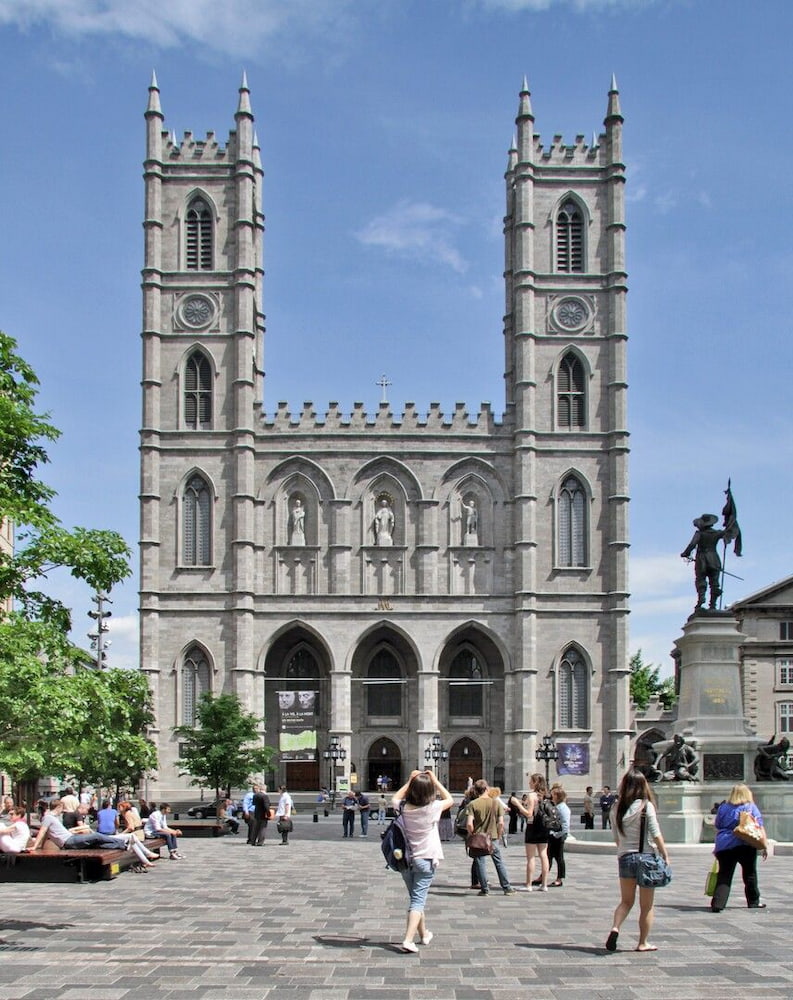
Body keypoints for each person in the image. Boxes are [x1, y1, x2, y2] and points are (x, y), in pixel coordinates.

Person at [605, 769, 670, 953]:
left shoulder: (616, 808)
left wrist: (624, 850)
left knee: (626, 901)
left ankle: (615, 927)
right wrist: (665, 854)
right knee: (647, 906)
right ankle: (643, 942)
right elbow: (655, 833)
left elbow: (616, 838)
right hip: (646, 859)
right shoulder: (645, 806)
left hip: (625, 858)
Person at [392, 769, 454, 953]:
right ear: (430, 791)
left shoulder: (402, 807)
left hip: (405, 860)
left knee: (416, 899)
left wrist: (410, 780)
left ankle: (424, 934)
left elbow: (395, 797)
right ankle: (408, 940)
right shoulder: (432, 808)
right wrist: (435, 780)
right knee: (418, 901)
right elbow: (450, 799)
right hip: (425, 859)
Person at [31, 799, 158, 868]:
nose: (63, 811)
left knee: (99, 843)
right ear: (58, 807)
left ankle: (125, 845)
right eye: (61, 808)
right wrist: (35, 847)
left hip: (71, 839)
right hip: (69, 841)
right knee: (96, 836)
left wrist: (38, 845)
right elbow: (42, 832)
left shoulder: (52, 818)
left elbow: (46, 834)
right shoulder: (48, 817)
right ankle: (123, 842)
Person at [711, 783, 768, 912]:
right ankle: (753, 901)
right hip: (745, 843)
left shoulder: (723, 807)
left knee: (724, 874)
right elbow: (758, 826)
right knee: (750, 874)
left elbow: (718, 824)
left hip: (725, 844)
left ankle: (718, 903)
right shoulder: (750, 807)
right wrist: (764, 845)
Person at [466, 779, 516, 896]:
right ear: (487, 789)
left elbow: (469, 823)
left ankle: (484, 889)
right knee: (498, 862)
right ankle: (507, 887)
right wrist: (498, 834)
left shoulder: (473, 804)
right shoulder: (496, 803)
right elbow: (501, 823)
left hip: (479, 838)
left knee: (480, 863)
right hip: (493, 837)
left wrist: (472, 833)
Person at [680, 513, 730, 611]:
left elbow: (692, 545)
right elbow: (727, 532)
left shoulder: (699, 534)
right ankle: (713, 605)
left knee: (701, 580)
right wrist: (730, 522)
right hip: (714, 559)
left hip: (702, 560)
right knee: (714, 582)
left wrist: (685, 553)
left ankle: (701, 599)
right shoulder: (717, 533)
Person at [510, 773, 550, 891]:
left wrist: (517, 804)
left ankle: (528, 885)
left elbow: (529, 814)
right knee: (544, 855)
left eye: (531, 781)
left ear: (536, 782)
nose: (529, 783)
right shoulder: (546, 795)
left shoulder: (531, 795)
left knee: (531, 857)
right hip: (544, 827)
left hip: (533, 827)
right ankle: (544, 884)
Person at [547, 786, 570, 886]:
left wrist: (556, 835)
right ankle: (543, 876)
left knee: (559, 857)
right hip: (553, 835)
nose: (551, 796)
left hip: (558, 836)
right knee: (549, 856)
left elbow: (565, 826)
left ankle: (560, 878)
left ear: (557, 796)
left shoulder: (563, 808)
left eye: (552, 795)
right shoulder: (557, 806)